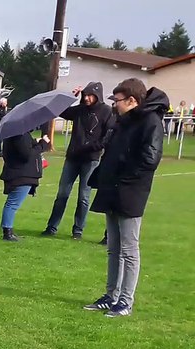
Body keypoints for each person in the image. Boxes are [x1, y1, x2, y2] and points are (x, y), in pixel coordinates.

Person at [82, 79, 169, 319]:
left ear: (132, 100)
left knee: (129, 250)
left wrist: (121, 171)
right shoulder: (123, 121)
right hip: (112, 188)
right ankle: (111, 295)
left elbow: (150, 159)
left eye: (118, 100)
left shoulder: (150, 121)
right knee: (113, 248)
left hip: (131, 191)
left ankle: (125, 301)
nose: (114, 105)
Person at [43, 82, 111, 240]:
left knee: (83, 197)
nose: (86, 98)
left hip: (91, 159)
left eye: (90, 96)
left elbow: (108, 136)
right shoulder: (79, 110)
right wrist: (70, 96)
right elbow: (60, 110)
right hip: (73, 158)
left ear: (97, 95)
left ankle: (78, 230)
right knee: (62, 194)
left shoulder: (106, 111)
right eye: (84, 95)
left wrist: (92, 147)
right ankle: (52, 227)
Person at [0, 130, 52, 241]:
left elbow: (23, 148)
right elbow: (26, 154)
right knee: (12, 203)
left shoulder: (13, 134)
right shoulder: (20, 134)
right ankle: (7, 232)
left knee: (12, 203)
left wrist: (35, 141)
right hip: (22, 174)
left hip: (17, 172)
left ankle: (8, 230)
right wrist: (42, 145)